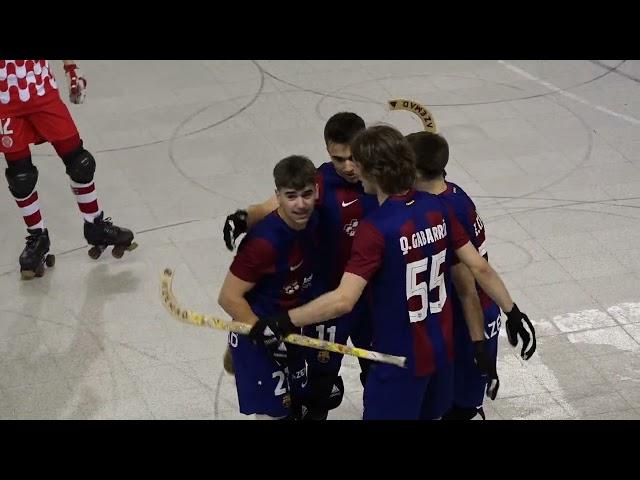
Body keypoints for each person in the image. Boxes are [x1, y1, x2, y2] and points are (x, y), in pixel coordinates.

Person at [250, 125, 536, 420]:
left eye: (358, 165)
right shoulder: (438, 207)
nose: (354, 172)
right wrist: (513, 312)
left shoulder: (375, 229)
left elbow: (343, 300)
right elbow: (479, 267)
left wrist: (284, 320)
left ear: (373, 172)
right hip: (440, 355)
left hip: (398, 361)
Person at [223, 112, 377, 419]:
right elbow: (274, 204)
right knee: (318, 389)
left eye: (353, 157)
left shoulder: (380, 176)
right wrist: (243, 217)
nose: (347, 166)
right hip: (326, 300)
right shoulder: (319, 181)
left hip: (371, 297)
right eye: (338, 158)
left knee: (376, 373)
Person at [407, 131, 537, 419]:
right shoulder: (453, 192)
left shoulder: (441, 210)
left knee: (460, 408)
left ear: (413, 170)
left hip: (469, 318)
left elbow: (468, 283)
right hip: (475, 312)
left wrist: (477, 341)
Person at [0, 60, 135, 279]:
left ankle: (95, 225)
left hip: (39, 87)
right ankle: (37, 238)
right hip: (4, 96)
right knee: (20, 176)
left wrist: (71, 69)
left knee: (81, 163)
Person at [217, 155, 319, 420]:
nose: (300, 204)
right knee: (274, 415)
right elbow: (228, 298)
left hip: (291, 326)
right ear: (278, 196)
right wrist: (263, 334)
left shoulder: (315, 218)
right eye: (291, 196)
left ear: (317, 190)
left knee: (298, 408)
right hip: (260, 334)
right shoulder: (263, 244)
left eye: (307, 194)